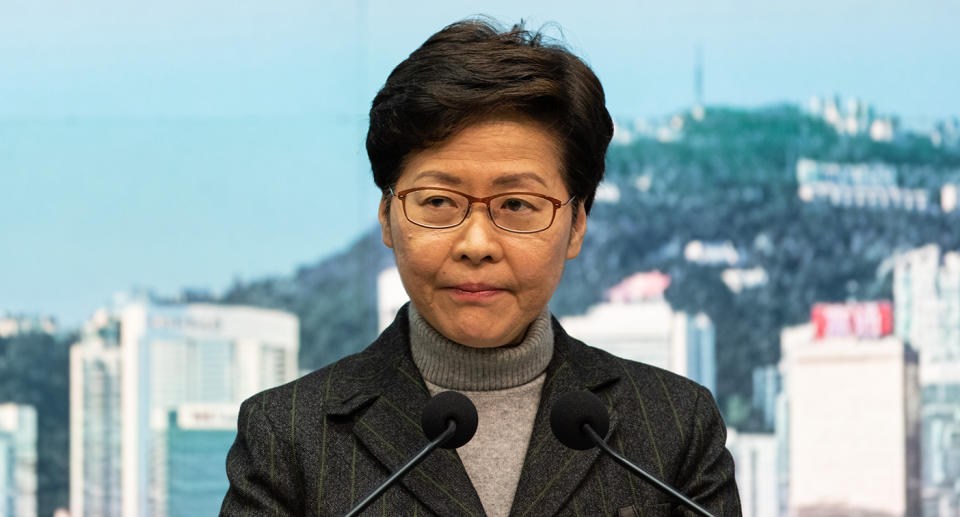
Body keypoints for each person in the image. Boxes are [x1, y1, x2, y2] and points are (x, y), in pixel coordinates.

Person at [220, 18, 740, 517]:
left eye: (516, 205)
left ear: (577, 223)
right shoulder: (288, 434)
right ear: (386, 216)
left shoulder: (673, 427)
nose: (476, 244)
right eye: (439, 201)